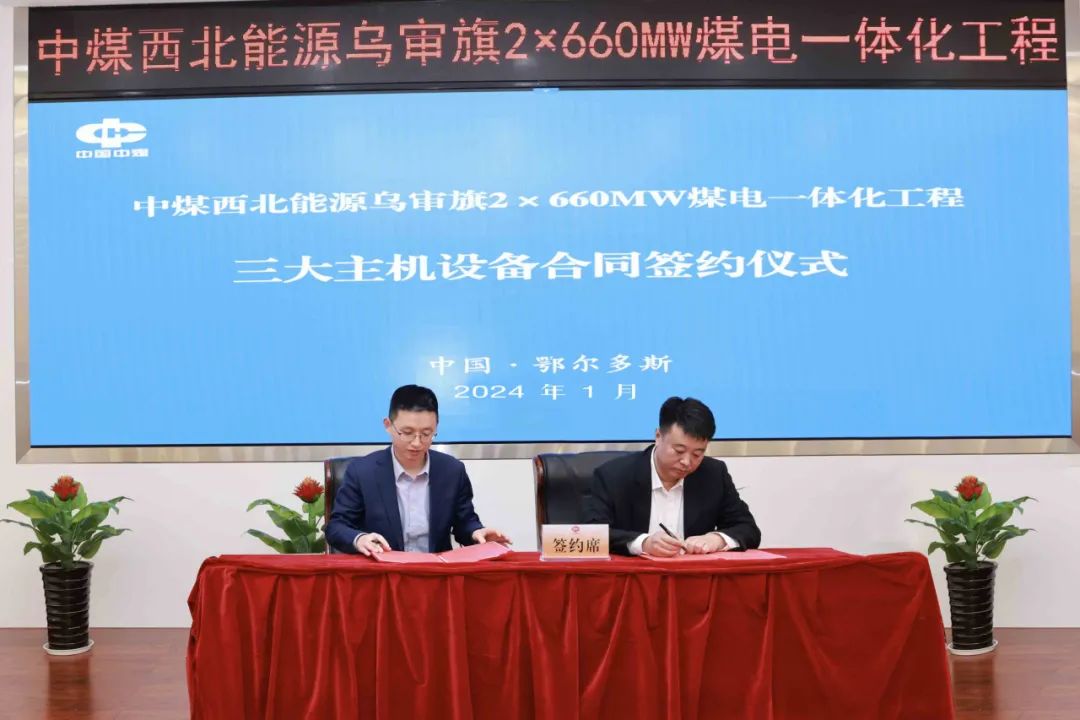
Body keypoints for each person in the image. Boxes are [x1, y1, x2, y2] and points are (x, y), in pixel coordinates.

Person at [326, 384, 510, 556]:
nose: (417, 443)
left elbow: (465, 522)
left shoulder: (452, 471)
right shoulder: (362, 472)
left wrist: (476, 533)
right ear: (388, 425)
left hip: (435, 572)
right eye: (407, 433)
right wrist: (359, 539)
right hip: (383, 572)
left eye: (426, 434)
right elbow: (336, 527)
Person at [584, 396, 760, 557]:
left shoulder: (713, 474)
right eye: (679, 450)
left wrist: (716, 539)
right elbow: (589, 536)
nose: (687, 462)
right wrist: (643, 543)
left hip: (693, 577)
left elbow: (748, 529)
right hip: (633, 577)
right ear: (658, 436)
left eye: (697, 454)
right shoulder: (613, 476)